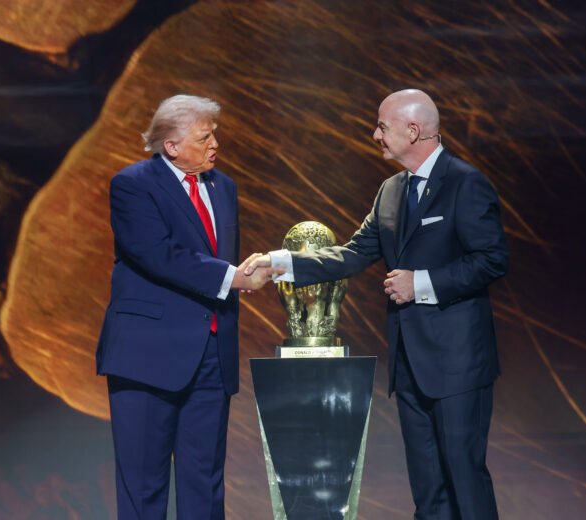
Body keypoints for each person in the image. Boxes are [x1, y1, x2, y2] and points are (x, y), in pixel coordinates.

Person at [245, 89, 508, 519]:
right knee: (428, 489)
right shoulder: (390, 191)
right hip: (410, 365)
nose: (375, 135)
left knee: (464, 476)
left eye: (382, 126)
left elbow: (492, 260)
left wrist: (420, 283)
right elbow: (352, 254)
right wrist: (280, 262)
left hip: (458, 363)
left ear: (413, 130)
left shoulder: (466, 183)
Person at [96, 94, 278, 520]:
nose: (215, 144)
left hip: (211, 355)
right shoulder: (133, 185)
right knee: (144, 486)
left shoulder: (223, 187)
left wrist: (247, 272)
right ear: (171, 146)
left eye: (214, 134)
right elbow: (157, 255)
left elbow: (217, 257)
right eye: (204, 137)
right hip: (148, 356)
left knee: (205, 485)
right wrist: (234, 277)